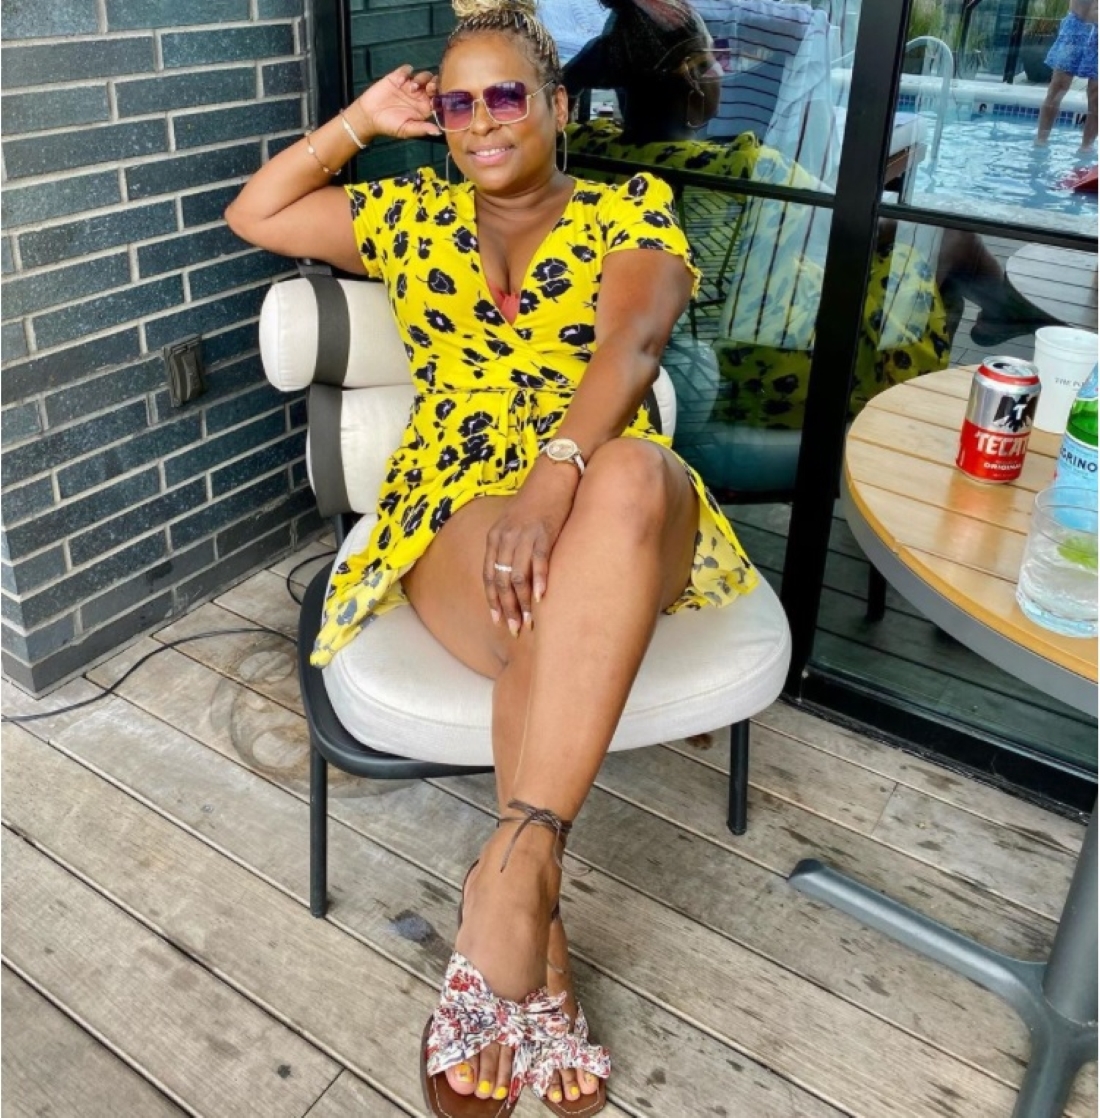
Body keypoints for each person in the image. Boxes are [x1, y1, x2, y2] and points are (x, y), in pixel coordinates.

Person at [225, 0, 757, 1113]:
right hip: (457, 506)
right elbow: (256, 211)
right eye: (457, 103)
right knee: (543, 608)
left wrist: (554, 476)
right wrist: (365, 118)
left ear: (557, 106)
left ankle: (501, 897)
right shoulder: (406, 217)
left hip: (611, 498)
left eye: (505, 95)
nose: (479, 121)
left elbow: (634, 344)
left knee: (627, 473)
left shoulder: (627, 207)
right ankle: (527, 902)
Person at [564, 0, 1055, 433]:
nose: (722, 73)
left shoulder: (581, 153)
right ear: (692, 79)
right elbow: (862, 229)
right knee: (947, 236)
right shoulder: (745, 167)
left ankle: (1008, 312)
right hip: (762, 368)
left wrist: (573, 77)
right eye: (714, 60)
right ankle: (997, 325)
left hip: (660, 346)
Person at [1036, 0, 1098, 157]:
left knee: (1096, 94)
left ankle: (1086, 148)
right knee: (1058, 86)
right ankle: (1041, 141)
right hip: (1076, 26)